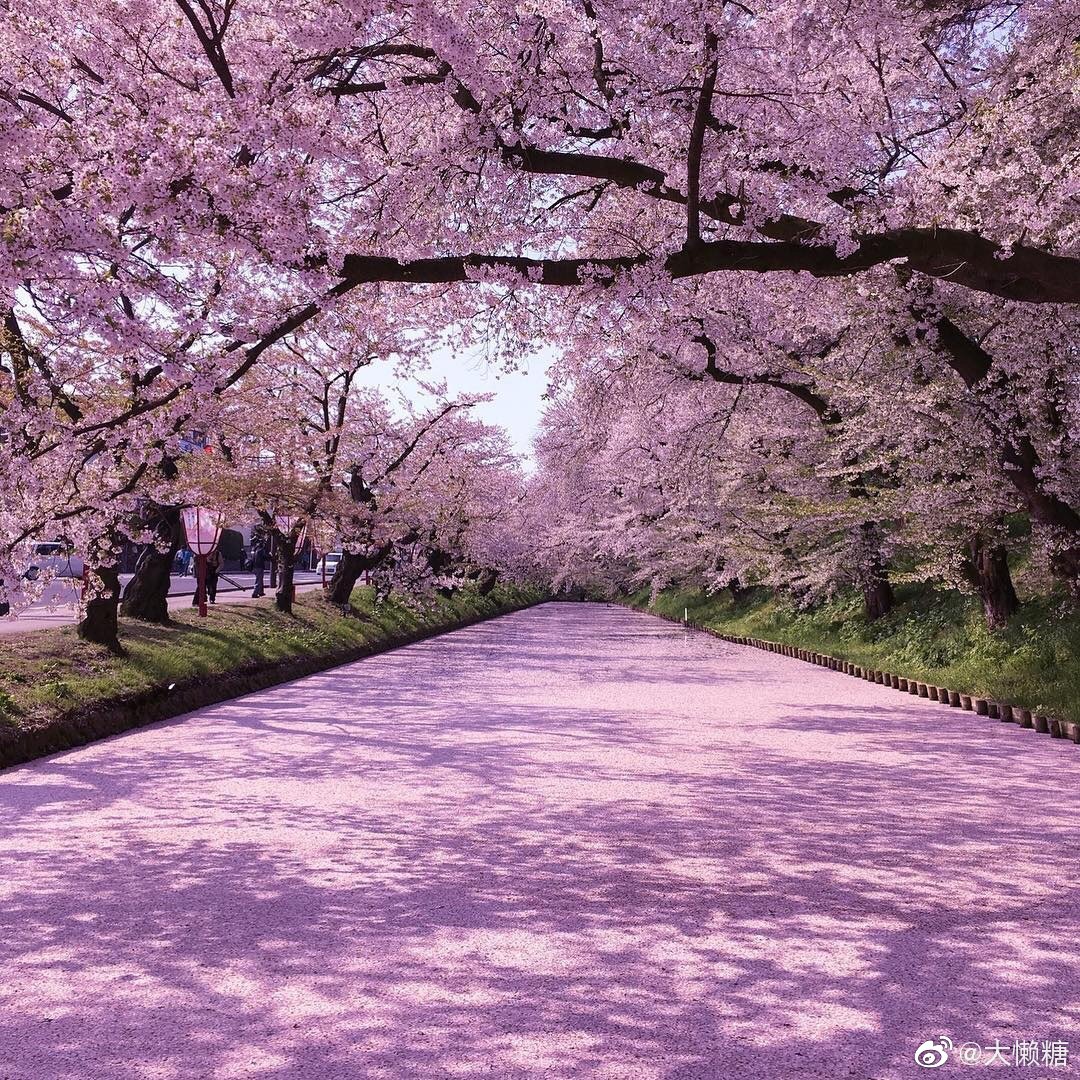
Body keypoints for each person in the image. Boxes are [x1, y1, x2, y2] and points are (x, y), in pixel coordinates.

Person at [250, 533, 267, 598]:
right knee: (259, 580)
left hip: (254, 566)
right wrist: (271, 556)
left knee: (260, 579)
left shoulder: (253, 550)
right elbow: (265, 557)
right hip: (259, 566)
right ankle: (255, 593)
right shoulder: (261, 550)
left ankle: (261, 592)